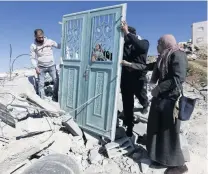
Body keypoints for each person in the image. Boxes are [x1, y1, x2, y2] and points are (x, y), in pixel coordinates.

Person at [146, 34, 188, 174]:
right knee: (156, 127)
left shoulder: (178, 54)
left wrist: (158, 88)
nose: (157, 46)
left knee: (169, 131)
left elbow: (178, 78)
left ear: (165, 43)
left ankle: (179, 165)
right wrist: (129, 65)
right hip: (161, 98)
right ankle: (160, 158)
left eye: (159, 43)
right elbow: (150, 67)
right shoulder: (163, 57)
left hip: (171, 99)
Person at [120, 21, 149, 137]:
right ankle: (129, 125)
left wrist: (127, 32)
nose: (123, 38)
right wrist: (102, 51)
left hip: (138, 78)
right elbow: (114, 56)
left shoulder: (143, 43)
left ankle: (145, 104)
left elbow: (141, 47)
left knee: (141, 95)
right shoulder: (123, 47)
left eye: (124, 35)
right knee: (127, 103)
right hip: (126, 79)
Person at [30, 29, 61, 101]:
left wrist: (65, 40)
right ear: (35, 36)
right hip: (41, 67)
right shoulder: (33, 46)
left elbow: (59, 46)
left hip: (51, 66)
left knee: (56, 80)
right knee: (41, 84)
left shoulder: (50, 41)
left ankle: (55, 97)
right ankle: (42, 99)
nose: (41, 39)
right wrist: (36, 67)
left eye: (42, 37)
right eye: (39, 37)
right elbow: (32, 58)